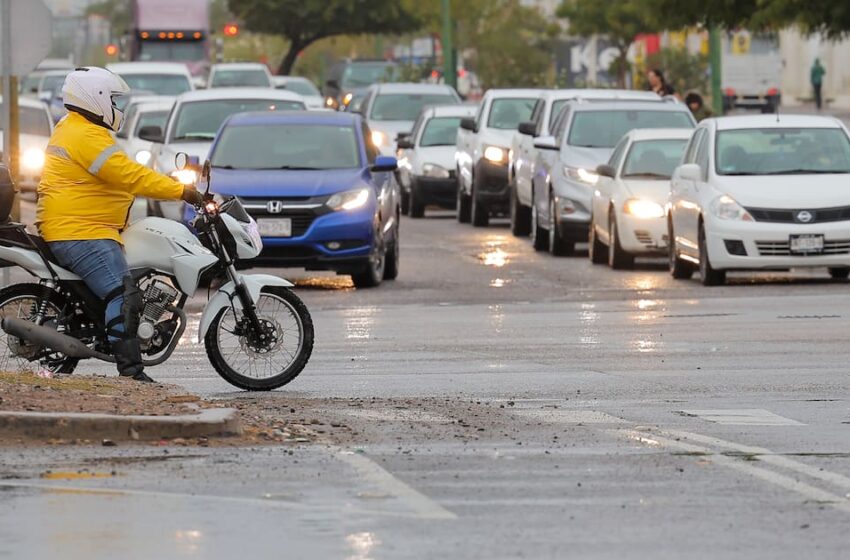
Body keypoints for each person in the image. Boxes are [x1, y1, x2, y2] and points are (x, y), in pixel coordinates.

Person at [35, 67, 203, 383]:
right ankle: (131, 372)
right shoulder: (85, 135)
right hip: (81, 231)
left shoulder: (78, 128)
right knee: (123, 295)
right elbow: (128, 175)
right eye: (113, 100)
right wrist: (180, 190)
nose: (117, 108)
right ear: (95, 97)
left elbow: (124, 173)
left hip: (86, 226)